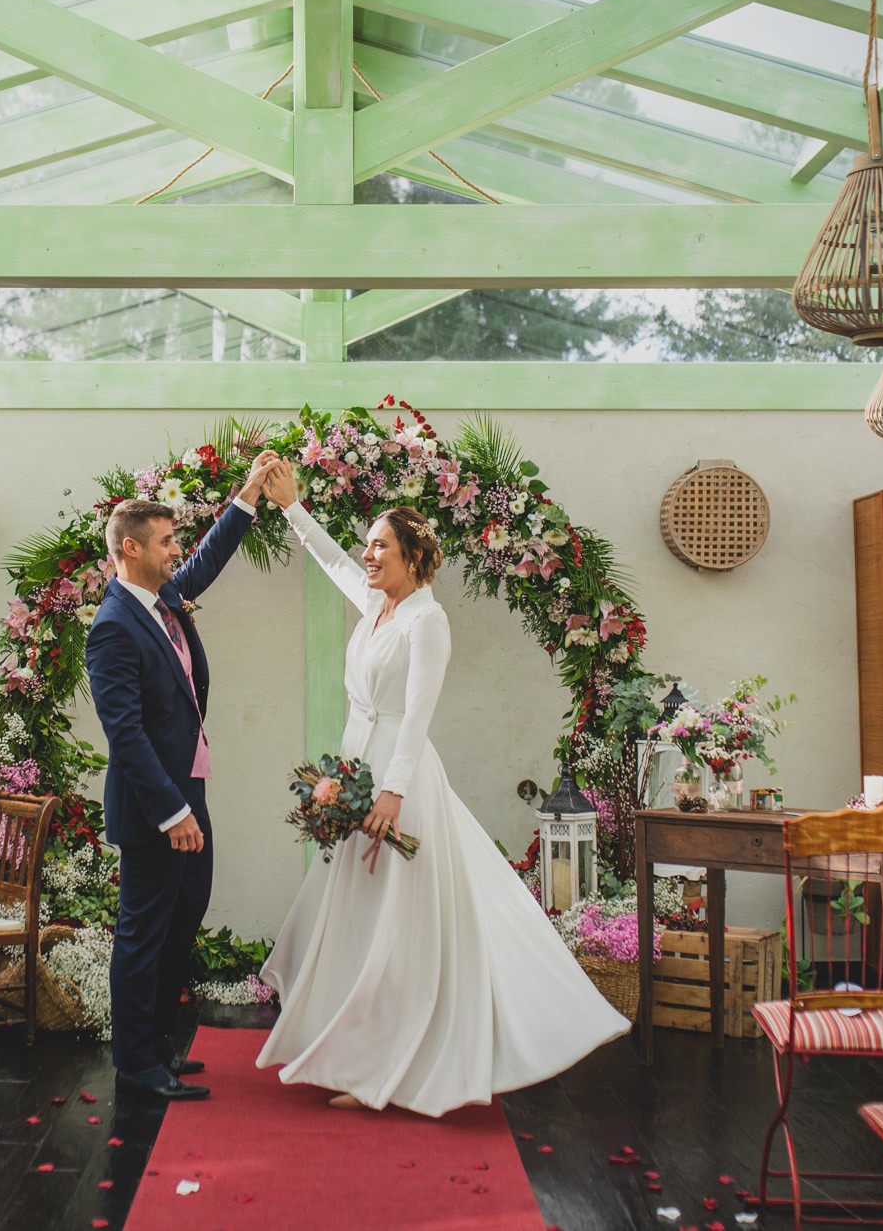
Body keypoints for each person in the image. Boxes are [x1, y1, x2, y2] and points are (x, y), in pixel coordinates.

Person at [255, 460, 630, 1116]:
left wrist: (391, 792)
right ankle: (352, 1048)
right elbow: (333, 561)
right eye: (369, 544)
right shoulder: (378, 602)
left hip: (397, 778)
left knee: (395, 925)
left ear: (413, 558)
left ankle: (390, 1066)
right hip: (355, 767)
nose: (367, 554)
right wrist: (291, 508)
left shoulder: (426, 622)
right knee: (359, 918)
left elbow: (421, 711)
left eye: (380, 546)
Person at [87, 451, 279, 1101]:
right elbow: (126, 733)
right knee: (144, 929)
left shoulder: (160, 596)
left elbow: (206, 563)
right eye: (167, 541)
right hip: (155, 806)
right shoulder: (113, 627)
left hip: (187, 789)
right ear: (132, 548)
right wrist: (172, 812)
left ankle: (157, 1044)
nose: (177, 550)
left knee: (182, 916)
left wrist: (248, 496)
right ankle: (136, 1060)